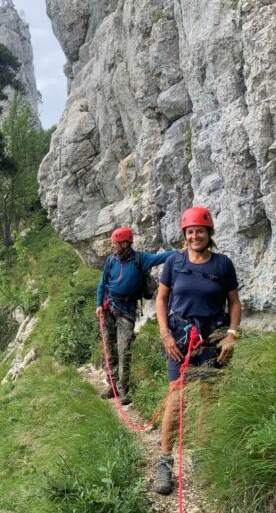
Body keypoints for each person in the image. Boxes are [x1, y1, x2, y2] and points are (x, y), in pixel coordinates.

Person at [153, 206, 241, 495]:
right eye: (190, 232)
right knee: (176, 398)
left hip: (212, 338)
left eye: (199, 231)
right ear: (185, 235)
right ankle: (164, 461)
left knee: (207, 398)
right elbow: (161, 300)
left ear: (208, 233)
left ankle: (203, 459)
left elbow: (234, 303)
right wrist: (165, 334)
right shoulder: (174, 264)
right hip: (179, 339)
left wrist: (231, 335)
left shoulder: (222, 265)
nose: (195, 236)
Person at [96, 227, 177, 406]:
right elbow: (102, 283)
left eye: (114, 244)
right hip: (109, 308)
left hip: (127, 311)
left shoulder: (141, 259)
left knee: (124, 350)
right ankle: (113, 386)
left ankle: (123, 389)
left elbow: (163, 257)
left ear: (125, 244)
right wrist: (98, 305)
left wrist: (182, 251)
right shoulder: (111, 261)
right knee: (109, 349)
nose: (112, 247)